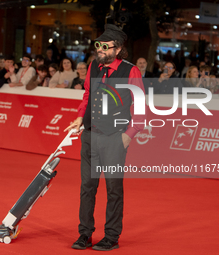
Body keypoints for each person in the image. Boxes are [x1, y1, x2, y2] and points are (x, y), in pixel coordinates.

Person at [65, 24, 145, 251]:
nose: (99, 49)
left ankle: (111, 236)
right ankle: (84, 234)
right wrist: (80, 117)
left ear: (118, 49)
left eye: (104, 46)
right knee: (87, 187)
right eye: (97, 45)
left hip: (114, 138)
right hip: (90, 135)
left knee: (113, 189)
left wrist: (127, 136)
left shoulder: (131, 71)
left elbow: (140, 109)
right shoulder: (94, 67)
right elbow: (88, 94)